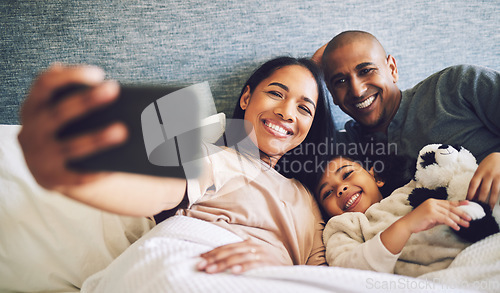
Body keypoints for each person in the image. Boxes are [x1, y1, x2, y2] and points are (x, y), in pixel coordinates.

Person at [18, 56, 336, 275]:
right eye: (276, 93)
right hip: (205, 268)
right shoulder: (217, 156)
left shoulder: (309, 201)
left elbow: (326, 279)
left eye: (304, 108)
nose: (286, 112)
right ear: (246, 98)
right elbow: (161, 189)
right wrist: (73, 176)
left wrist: (279, 267)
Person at [312, 30, 500, 210]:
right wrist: (310, 73)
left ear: (392, 69)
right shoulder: (343, 150)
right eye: (341, 81)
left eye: (366, 70)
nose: (357, 90)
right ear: (332, 94)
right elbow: (286, 148)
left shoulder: (455, 85)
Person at [314, 153, 474, 277]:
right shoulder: (343, 227)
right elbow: (346, 274)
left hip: (474, 250)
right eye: (327, 193)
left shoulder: (412, 188)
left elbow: (458, 177)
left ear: (376, 177)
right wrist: (405, 226)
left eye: (347, 174)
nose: (340, 189)